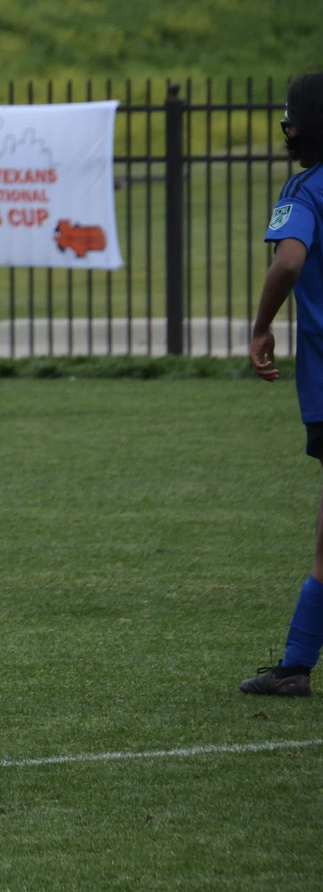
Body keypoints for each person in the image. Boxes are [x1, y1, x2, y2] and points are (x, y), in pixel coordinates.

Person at [246, 71, 323, 697]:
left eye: (290, 117)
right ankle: (296, 666)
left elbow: (290, 258)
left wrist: (261, 325)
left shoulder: (306, 187)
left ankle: (296, 666)